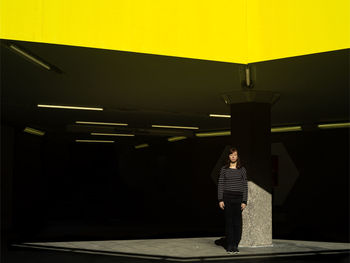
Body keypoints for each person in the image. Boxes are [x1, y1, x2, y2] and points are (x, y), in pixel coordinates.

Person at [218, 146, 248, 254]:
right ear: (228, 156)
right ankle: (230, 245)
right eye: (231, 155)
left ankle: (235, 244)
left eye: (235, 155)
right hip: (227, 199)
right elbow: (221, 184)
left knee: (237, 223)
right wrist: (220, 199)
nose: (233, 157)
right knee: (229, 223)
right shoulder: (224, 169)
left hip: (238, 199)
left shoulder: (242, 169)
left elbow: (245, 186)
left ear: (238, 156)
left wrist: (244, 201)